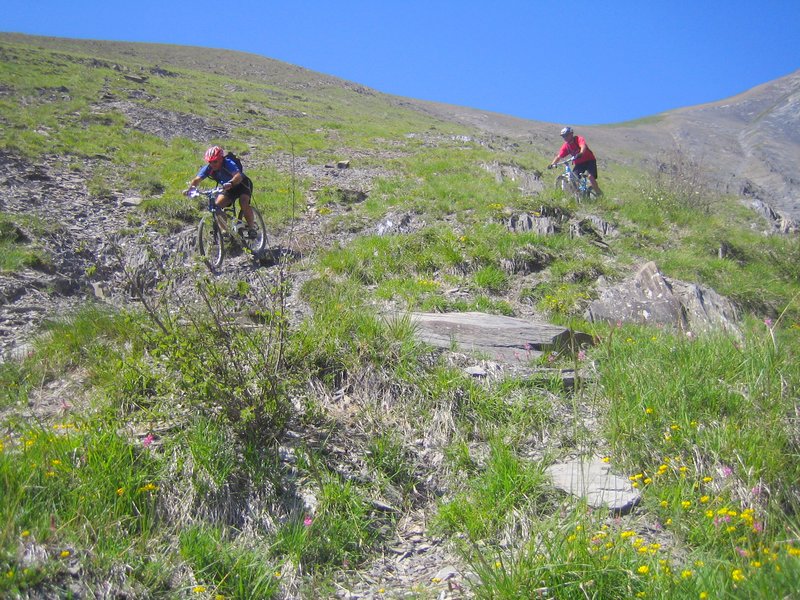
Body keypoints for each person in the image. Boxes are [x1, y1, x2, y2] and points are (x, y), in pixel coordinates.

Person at [185, 145, 256, 236]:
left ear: (221, 159)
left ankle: (251, 227)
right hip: (228, 188)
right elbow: (196, 180)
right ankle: (225, 232)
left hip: (242, 184)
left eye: (215, 161)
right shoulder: (209, 168)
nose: (212, 164)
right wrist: (190, 189)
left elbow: (238, 176)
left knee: (244, 203)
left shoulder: (228, 163)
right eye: (210, 162)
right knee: (217, 206)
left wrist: (231, 183)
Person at [548, 126, 602, 196]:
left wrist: (581, 153)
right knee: (574, 179)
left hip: (589, 160)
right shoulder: (566, 146)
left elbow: (583, 146)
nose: (565, 138)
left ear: (571, 134)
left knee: (590, 177)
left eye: (566, 135)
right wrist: (552, 164)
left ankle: (599, 194)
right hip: (579, 164)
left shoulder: (578, 139)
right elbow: (559, 156)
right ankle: (578, 195)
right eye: (563, 136)